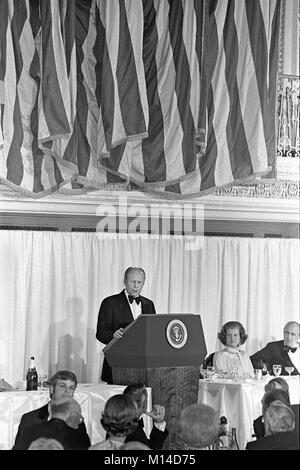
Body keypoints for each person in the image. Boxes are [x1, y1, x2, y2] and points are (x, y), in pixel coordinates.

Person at [96, 267, 156, 384]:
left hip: (143, 366)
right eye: (132, 281)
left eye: (139, 282)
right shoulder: (109, 302)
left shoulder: (149, 304)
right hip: (117, 364)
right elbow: (101, 333)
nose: (136, 286)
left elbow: (152, 333)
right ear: (124, 281)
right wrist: (113, 335)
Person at [13, 370, 90, 448]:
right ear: (52, 388)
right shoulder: (30, 418)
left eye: (71, 388)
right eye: (62, 386)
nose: (67, 391)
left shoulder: (76, 420)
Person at [12, 397, 90, 450]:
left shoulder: (29, 430)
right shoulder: (77, 437)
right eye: (79, 417)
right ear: (73, 415)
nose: (80, 421)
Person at [123, 383, 169, 450]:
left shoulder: (117, 424)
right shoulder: (135, 432)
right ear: (144, 404)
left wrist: (158, 422)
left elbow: (150, 447)